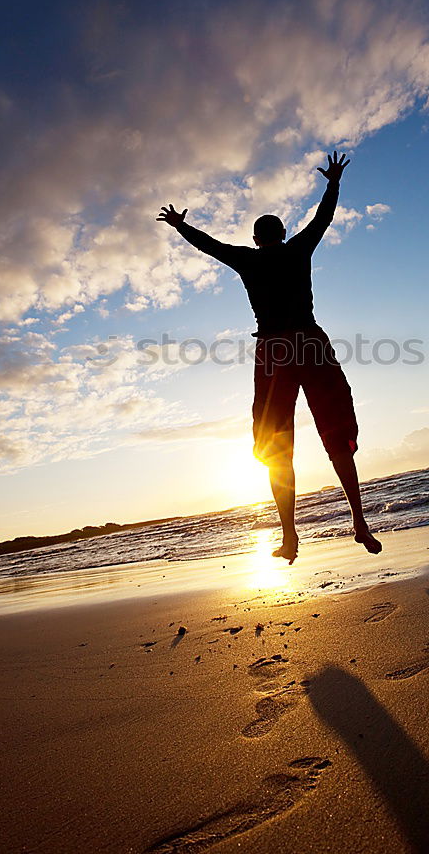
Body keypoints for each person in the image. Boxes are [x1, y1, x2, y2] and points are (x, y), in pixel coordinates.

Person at [156, 151, 382, 564]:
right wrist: (333, 183)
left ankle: (291, 536)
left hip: (275, 352)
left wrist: (181, 225)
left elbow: (211, 246)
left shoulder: (249, 259)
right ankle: (358, 521)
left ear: (258, 239)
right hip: (310, 343)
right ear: (282, 233)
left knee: (278, 448)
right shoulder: (297, 250)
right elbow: (323, 219)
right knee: (336, 436)